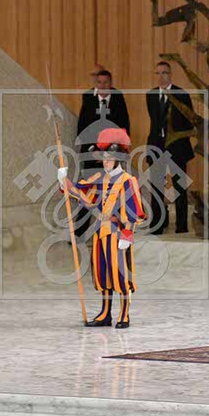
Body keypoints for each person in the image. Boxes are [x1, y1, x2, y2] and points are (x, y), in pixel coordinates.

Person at [57, 128, 145, 329]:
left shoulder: (128, 181)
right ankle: (105, 313)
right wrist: (64, 181)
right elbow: (82, 194)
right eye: (103, 158)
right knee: (103, 273)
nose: (105, 162)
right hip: (100, 233)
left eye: (109, 159)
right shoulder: (100, 179)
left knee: (120, 275)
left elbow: (133, 210)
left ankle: (124, 314)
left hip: (118, 234)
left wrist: (127, 234)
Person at [75, 69, 130, 239]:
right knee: (89, 194)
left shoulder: (118, 98)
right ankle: (79, 234)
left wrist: (110, 154)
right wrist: (94, 151)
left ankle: (114, 232)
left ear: (111, 83)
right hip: (92, 155)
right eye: (99, 82)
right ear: (95, 83)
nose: (102, 86)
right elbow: (83, 128)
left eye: (106, 82)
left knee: (113, 193)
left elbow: (123, 127)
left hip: (112, 155)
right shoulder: (88, 98)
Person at [145, 61, 195, 234]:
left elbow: (190, 121)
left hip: (177, 147)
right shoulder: (151, 95)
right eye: (158, 73)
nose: (161, 76)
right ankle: (157, 225)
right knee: (157, 187)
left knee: (179, 187)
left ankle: (181, 225)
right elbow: (154, 122)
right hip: (157, 145)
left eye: (164, 73)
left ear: (170, 74)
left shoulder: (182, 94)